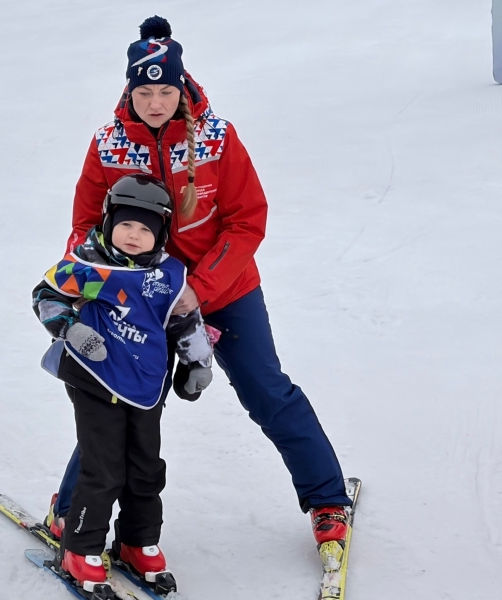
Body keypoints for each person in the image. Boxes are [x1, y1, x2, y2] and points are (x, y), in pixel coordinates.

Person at [46, 15, 352, 549]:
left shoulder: (216, 136)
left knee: (267, 391)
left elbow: (246, 219)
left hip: (225, 291)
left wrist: (200, 288)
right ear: (129, 90)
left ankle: (328, 501)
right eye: (145, 91)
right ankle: (70, 511)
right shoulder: (108, 146)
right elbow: (83, 225)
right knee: (118, 398)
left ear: (181, 86)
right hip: (137, 298)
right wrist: (86, 277)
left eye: (165, 90)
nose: (156, 102)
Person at [32, 174, 213, 597]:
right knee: (104, 468)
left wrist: (196, 363)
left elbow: (184, 320)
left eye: (146, 229)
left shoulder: (166, 277)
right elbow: (47, 295)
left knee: (147, 468)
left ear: (161, 234)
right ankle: (80, 548)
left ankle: (137, 541)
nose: (134, 236)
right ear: (109, 221)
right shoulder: (95, 268)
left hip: (146, 384)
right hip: (95, 378)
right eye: (126, 225)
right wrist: (71, 330)